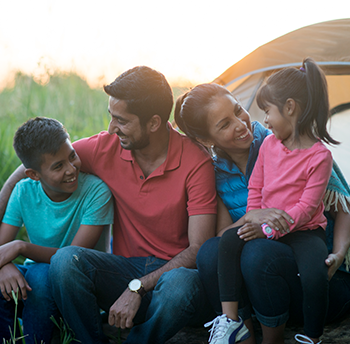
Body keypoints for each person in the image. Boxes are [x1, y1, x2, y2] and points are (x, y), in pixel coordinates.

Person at [0, 66, 218, 343]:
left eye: (121, 120)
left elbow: (198, 248)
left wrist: (137, 289)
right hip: (122, 269)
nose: (111, 128)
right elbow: (36, 165)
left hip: (172, 277)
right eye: (111, 117)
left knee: (183, 285)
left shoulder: (195, 162)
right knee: (66, 259)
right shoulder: (108, 146)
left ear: (153, 123)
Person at [175, 60, 350, 344]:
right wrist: (253, 216)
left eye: (238, 110)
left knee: (258, 254)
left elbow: (343, 208)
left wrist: (339, 253)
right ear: (206, 139)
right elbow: (224, 237)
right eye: (224, 124)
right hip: (267, 284)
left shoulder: (290, 143)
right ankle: (240, 333)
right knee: (210, 252)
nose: (241, 124)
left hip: (314, 278)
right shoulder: (214, 174)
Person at [0, 117, 114, 344]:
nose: (72, 169)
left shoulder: (96, 191)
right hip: (34, 281)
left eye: (72, 156)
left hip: (78, 286)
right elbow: (2, 249)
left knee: (41, 276)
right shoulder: (24, 191)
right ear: (33, 174)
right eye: (58, 166)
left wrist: (20, 247)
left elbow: (71, 257)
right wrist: (4, 266)